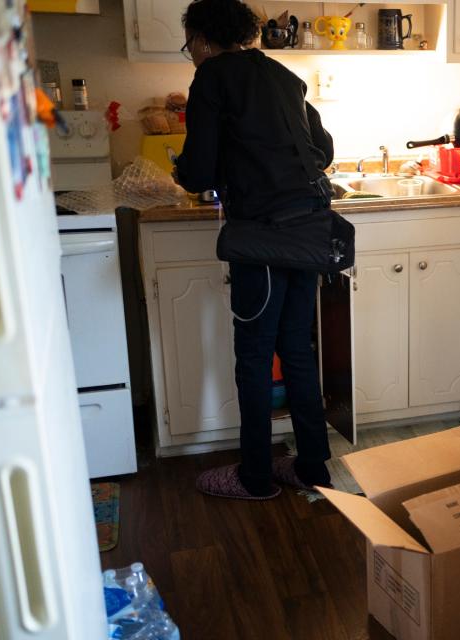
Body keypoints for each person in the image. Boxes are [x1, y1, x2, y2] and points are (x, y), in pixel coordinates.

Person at [174, 0, 334, 500]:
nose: (192, 54)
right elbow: (323, 151)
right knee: (298, 352)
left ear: (201, 40)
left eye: (190, 46)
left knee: (254, 356)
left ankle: (256, 477)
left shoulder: (212, 77)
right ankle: (311, 469)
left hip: (262, 237)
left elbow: (198, 172)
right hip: (309, 231)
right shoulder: (284, 77)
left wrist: (185, 170)